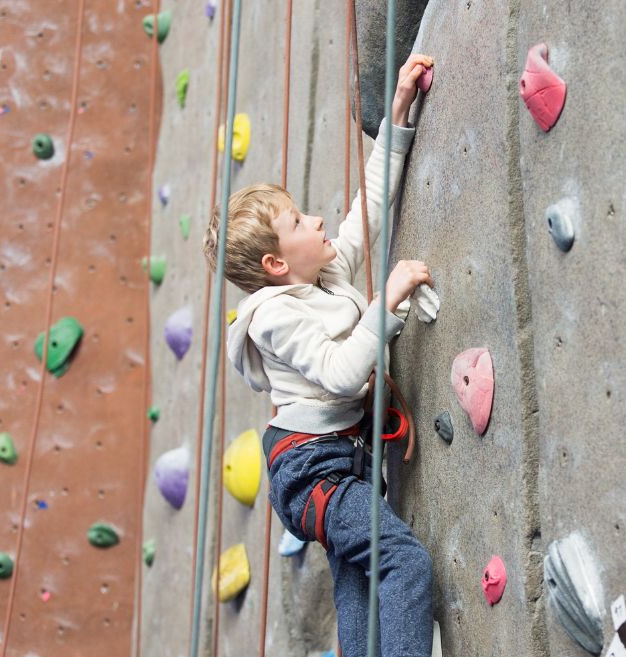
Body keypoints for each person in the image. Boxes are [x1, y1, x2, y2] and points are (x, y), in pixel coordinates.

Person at [203, 53, 435, 657]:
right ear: (278, 265)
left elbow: (370, 205)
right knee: (403, 564)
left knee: (360, 592)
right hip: (309, 472)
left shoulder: (327, 271)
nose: (318, 218)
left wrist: (399, 114)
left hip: (339, 461)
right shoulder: (274, 317)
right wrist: (385, 307)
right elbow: (337, 376)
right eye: (299, 221)